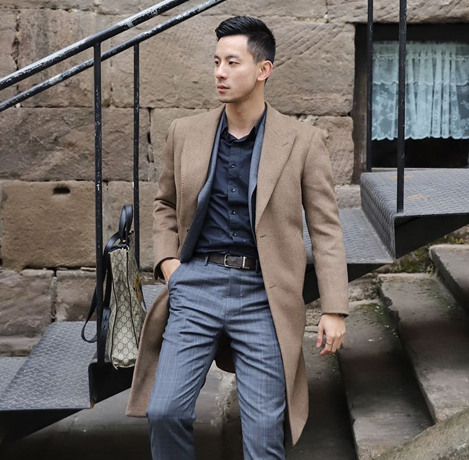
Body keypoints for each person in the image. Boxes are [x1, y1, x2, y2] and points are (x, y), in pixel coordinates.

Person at [125, 15, 350, 459]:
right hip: (195, 285)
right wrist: (169, 265)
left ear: (263, 69)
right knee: (165, 411)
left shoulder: (303, 141)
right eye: (216, 62)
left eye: (232, 62)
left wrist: (334, 308)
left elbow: (326, 229)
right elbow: (164, 204)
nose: (220, 73)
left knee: (264, 433)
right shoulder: (185, 132)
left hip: (263, 293)